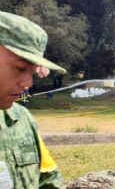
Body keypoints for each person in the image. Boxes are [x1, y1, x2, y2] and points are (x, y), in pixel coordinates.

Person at [0, 11, 66, 188]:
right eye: (20, 68)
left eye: (32, 72)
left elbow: (49, 180)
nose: (28, 83)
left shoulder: (22, 120)